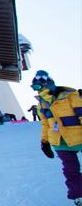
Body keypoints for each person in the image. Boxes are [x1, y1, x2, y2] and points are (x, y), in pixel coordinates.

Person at [32, 70, 82, 205]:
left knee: (71, 170)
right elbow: (45, 125)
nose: (36, 90)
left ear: (46, 84)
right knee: (70, 170)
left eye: (37, 86)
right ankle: (79, 195)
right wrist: (45, 142)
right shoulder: (41, 104)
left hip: (79, 138)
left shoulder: (70, 96)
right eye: (34, 87)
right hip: (60, 142)